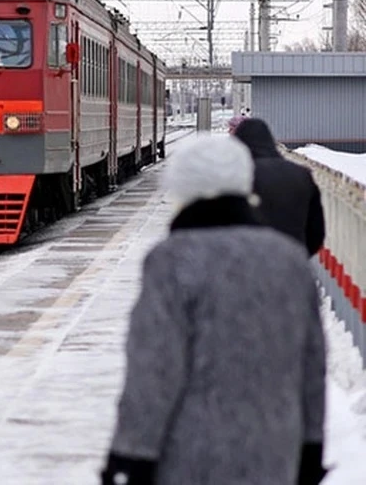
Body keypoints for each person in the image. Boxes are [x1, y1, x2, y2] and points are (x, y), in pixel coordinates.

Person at [101, 134, 328, 485]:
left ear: (183, 189)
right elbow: (312, 363)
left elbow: (154, 367)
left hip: (190, 456)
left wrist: (132, 452)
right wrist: (312, 446)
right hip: (277, 451)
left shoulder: (172, 260)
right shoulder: (288, 259)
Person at [233, 117, 325, 256]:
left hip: (244, 260)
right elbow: (316, 230)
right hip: (291, 260)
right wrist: (299, 257)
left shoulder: (235, 175)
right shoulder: (301, 175)